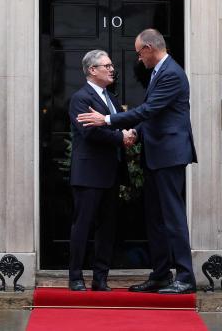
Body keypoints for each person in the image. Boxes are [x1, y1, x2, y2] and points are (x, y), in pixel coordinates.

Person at [76, 29, 197, 294]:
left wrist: (107, 120)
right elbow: (151, 117)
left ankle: (186, 277)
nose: (139, 59)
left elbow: (149, 110)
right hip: (156, 155)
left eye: (139, 52)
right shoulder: (159, 72)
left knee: (173, 217)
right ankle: (161, 274)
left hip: (168, 155)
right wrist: (129, 134)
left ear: (150, 48)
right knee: (154, 217)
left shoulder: (172, 73)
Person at [67, 50, 135, 291]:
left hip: (111, 172)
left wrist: (131, 133)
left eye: (111, 64)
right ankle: (75, 277)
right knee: (83, 226)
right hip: (88, 174)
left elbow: (122, 123)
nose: (111, 68)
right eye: (106, 65)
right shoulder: (80, 98)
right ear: (92, 70)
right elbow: (90, 131)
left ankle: (100, 278)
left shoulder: (111, 98)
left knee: (107, 228)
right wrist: (120, 138)